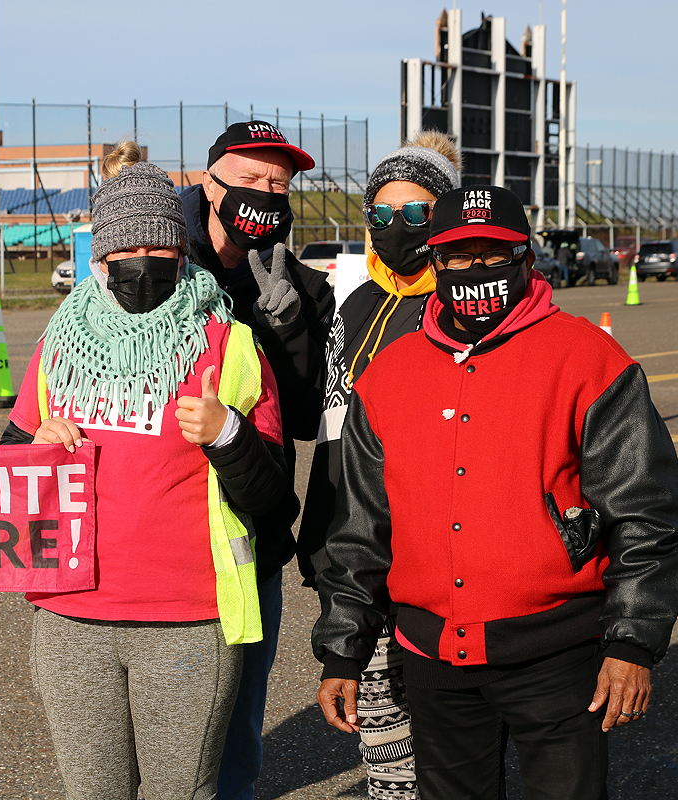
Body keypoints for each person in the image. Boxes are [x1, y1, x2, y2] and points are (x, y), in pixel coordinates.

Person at [312, 184, 678, 800]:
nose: (475, 271)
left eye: (495, 255)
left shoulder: (590, 359)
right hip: (431, 659)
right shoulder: (387, 375)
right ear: (434, 261)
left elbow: (647, 515)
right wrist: (343, 651)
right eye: (458, 257)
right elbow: (360, 528)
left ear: (527, 257)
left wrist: (633, 643)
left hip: (559, 654)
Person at [0, 143, 287, 800]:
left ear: (183, 255)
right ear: (100, 261)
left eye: (165, 257)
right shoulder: (59, 342)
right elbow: (7, 480)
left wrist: (226, 434)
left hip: (188, 621)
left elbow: (269, 495)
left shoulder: (229, 342)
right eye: (129, 259)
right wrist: (34, 448)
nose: (147, 271)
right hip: (71, 618)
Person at [298, 130, 462, 800]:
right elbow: (333, 431)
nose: (399, 229)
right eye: (383, 215)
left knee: (449, 748)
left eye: (418, 213)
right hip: (357, 561)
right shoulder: (358, 304)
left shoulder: (463, 306)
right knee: (384, 745)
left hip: (433, 568)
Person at [180, 119, 335, 799]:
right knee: (166, 728)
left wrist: (289, 325)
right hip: (163, 536)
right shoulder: (153, 264)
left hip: (252, 535)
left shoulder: (299, 285)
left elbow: (305, 419)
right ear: (207, 182)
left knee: (239, 721)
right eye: (249, 179)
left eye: (279, 184)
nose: (266, 194)